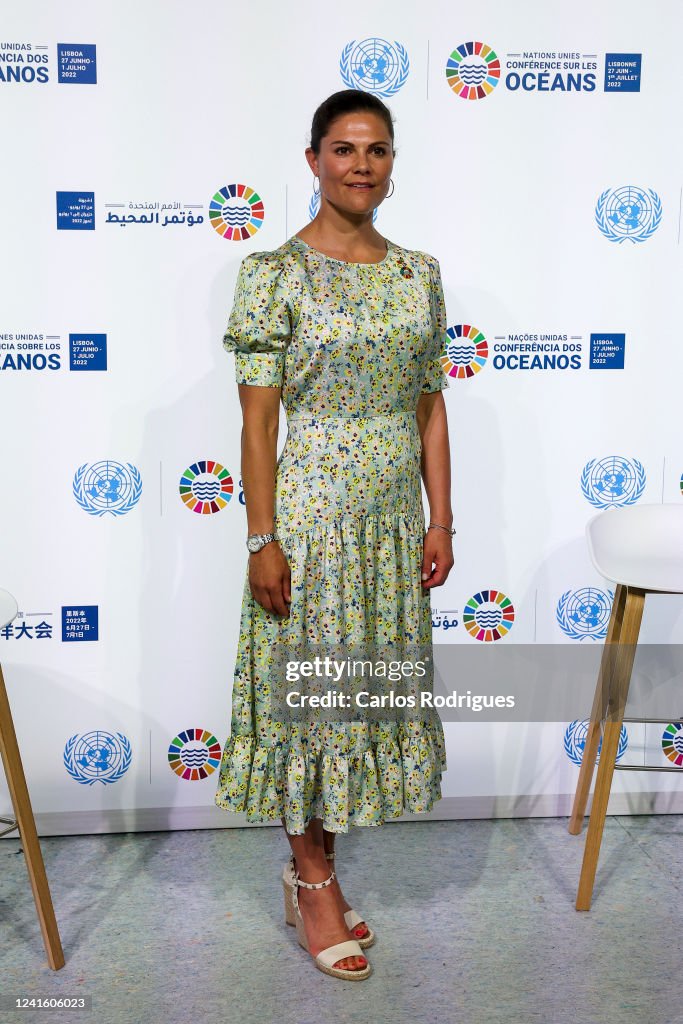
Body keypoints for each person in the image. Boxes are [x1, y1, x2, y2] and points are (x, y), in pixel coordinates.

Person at [214, 88, 455, 981]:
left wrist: (442, 518)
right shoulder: (271, 272)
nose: (362, 164)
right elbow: (256, 422)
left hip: (392, 524)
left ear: (393, 164)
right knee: (309, 702)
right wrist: (261, 537)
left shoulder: (418, 273)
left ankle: (321, 864)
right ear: (312, 158)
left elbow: (431, 408)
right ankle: (311, 877)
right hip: (309, 522)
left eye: (378, 150)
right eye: (344, 148)